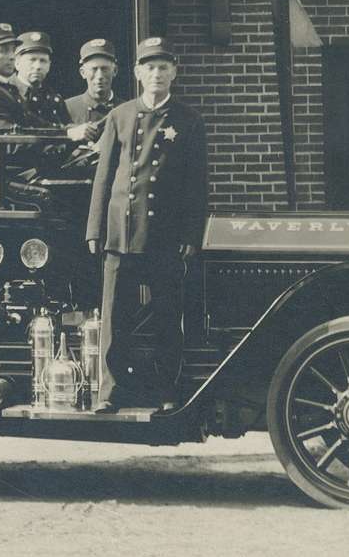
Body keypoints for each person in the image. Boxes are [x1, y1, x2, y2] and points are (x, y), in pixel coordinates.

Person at [86, 37, 209, 412]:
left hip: (164, 235)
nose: (157, 74)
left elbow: (196, 184)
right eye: (150, 67)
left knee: (167, 315)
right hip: (122, 232)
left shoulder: (188, 121)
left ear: (174, 72)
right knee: (114, 316)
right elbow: (104, 177)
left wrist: (191, 235)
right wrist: (95, 228)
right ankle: (109, 392)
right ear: (138, 73)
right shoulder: (120, 116)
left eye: (164, 67)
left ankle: (166, 390)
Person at [63, 38, 120, 145]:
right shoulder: (66, 108)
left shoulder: (126, 109)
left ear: (115, 71)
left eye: (105, 69)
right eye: (94, 69)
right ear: (83, 73)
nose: (99, 76)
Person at [12, 31, 70, 128]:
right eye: (32, 60)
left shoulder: (54, 98)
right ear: (17, 63)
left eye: (43, 61)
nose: (38, 66)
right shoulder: (8, 94)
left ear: (49, 65)